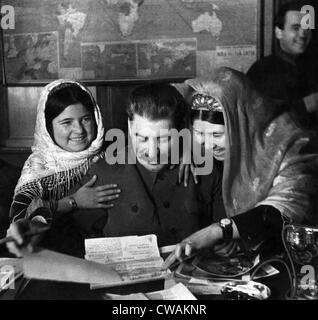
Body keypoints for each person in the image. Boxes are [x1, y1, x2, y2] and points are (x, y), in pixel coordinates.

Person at [163, 67, 318, 268]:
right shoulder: (200, 146)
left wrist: (216, 231)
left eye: (217, 136)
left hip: (297, 262)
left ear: (240, 127)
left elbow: (288, 207)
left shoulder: (290, 143)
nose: (208, 145)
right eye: (199, 134)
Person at [66, 83, 214, 252]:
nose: (152, 153)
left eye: (163, 139)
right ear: (129, 127)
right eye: (142, 139)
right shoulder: (104, 172)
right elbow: (79, 243)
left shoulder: (205, 166)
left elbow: (222, 236)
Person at [6, 79, 120, 257]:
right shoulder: (36, 171)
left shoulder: (114, 151)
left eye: (86, 119)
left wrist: (181, 156)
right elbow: (21, 230)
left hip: (117, 254)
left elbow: (157, 152)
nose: (79, 130)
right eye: (66, 122)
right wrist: (72, 201)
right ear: (48, 127)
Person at [247, 0, 318, 124]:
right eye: (295, 28)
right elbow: (262, 120)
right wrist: (308, 104)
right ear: (279, 32)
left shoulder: (313, 67)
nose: (303, 34)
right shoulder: (261, 70)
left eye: (307, 28)